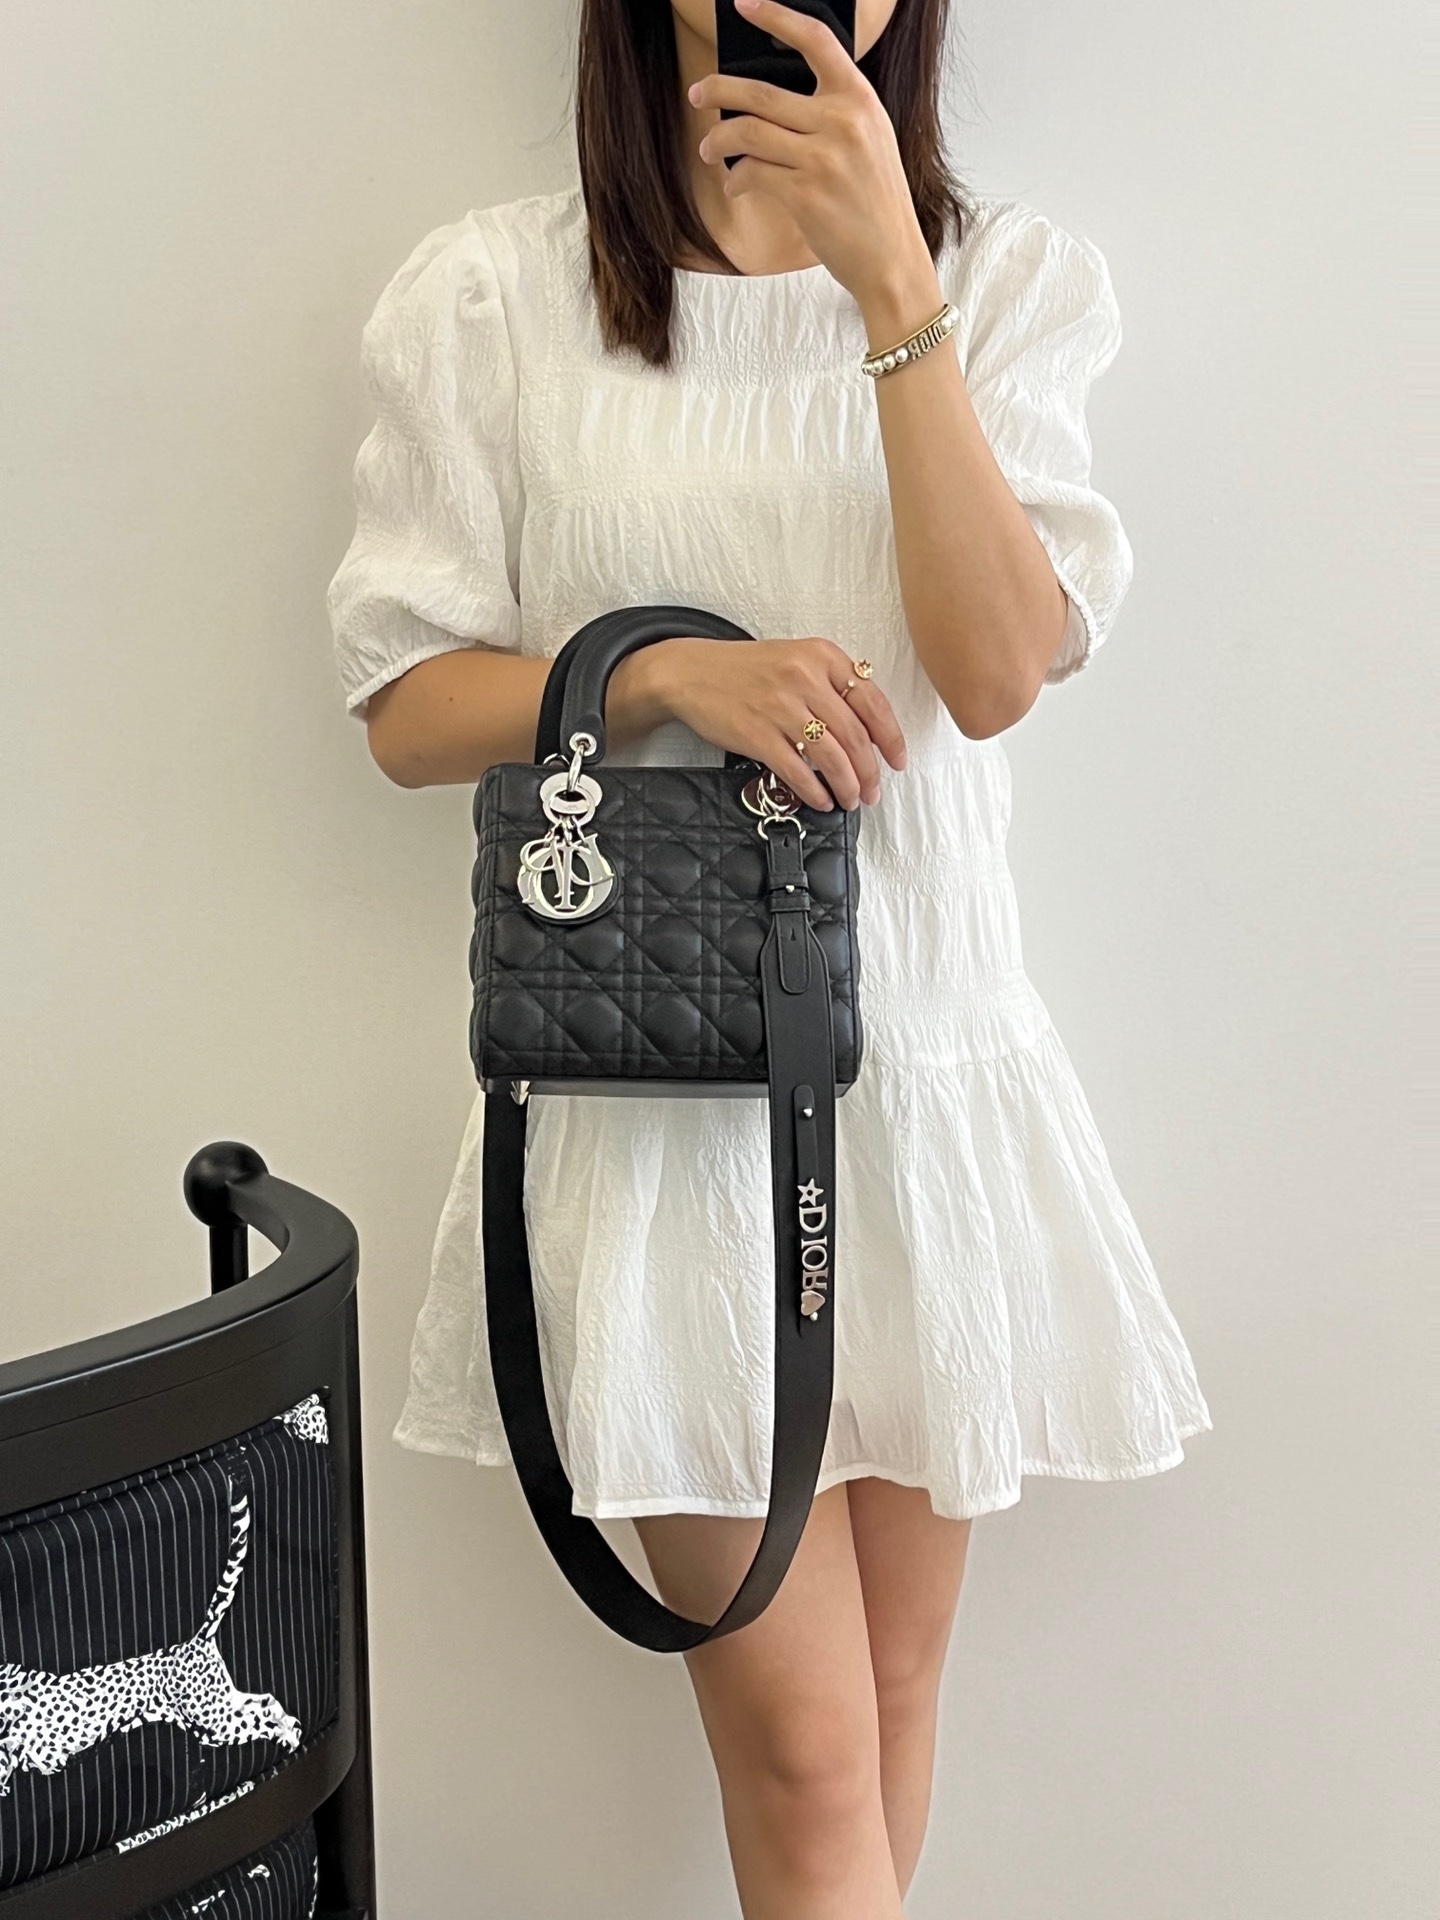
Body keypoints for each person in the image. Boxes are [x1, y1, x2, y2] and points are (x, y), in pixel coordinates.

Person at [325, 1, 1212, 1911]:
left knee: (885, 1711)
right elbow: (403, 700)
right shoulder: (496, 299)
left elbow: (994, 670)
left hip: (926, 1075)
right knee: (806, 1756)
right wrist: (655, 673)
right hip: (665, 1110)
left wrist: (895, 288)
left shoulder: (1009, 283)